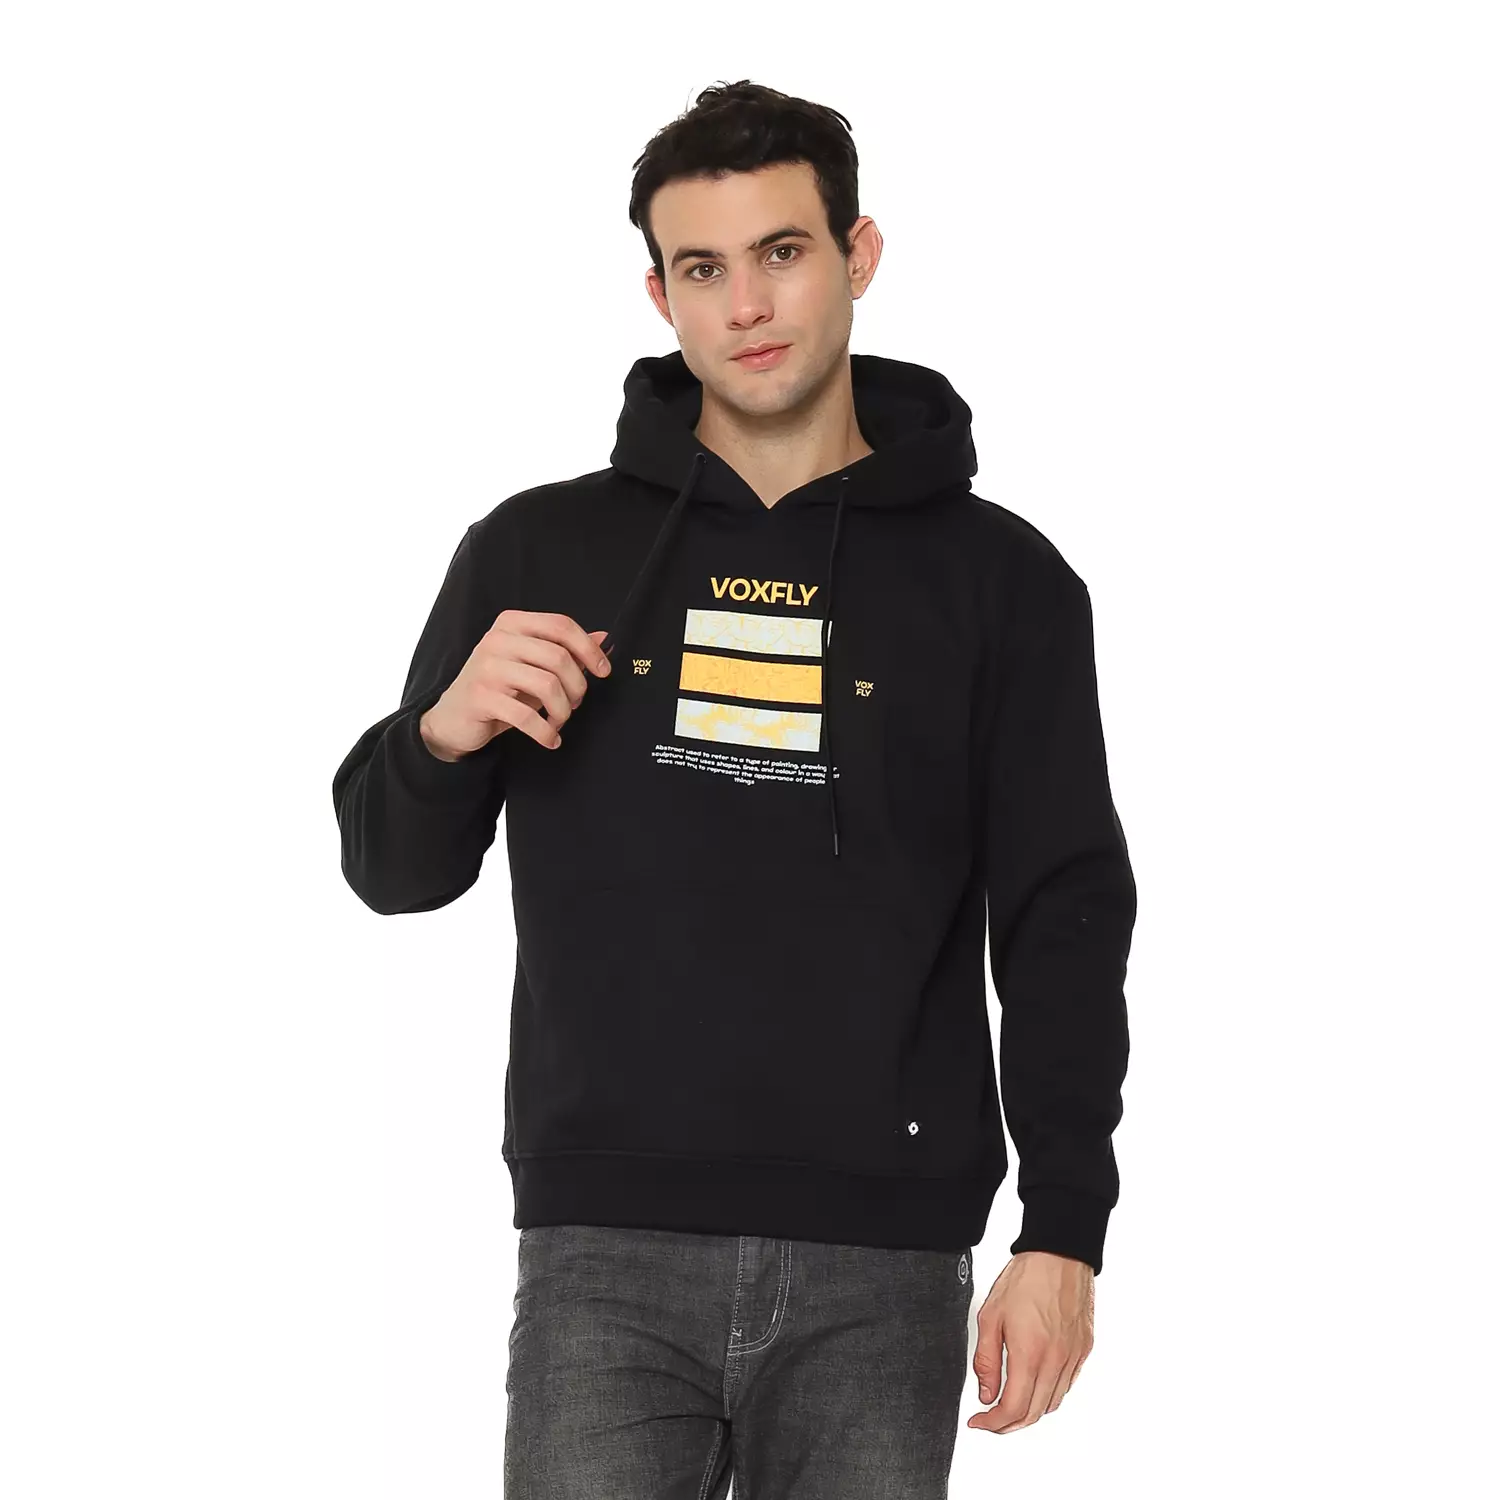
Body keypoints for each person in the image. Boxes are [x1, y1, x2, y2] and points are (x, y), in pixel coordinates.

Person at [332, 79, 1136, 1500]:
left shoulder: (1001, 582)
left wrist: (1063, 1228)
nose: (747, 305)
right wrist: (438, 739)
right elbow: (393, 874)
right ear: (660, 294)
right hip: (604, 1248)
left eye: (782, 252)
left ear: (859, 256)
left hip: (886, 1263)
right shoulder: (537, 552)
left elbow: (1063, 915)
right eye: (702, 268)